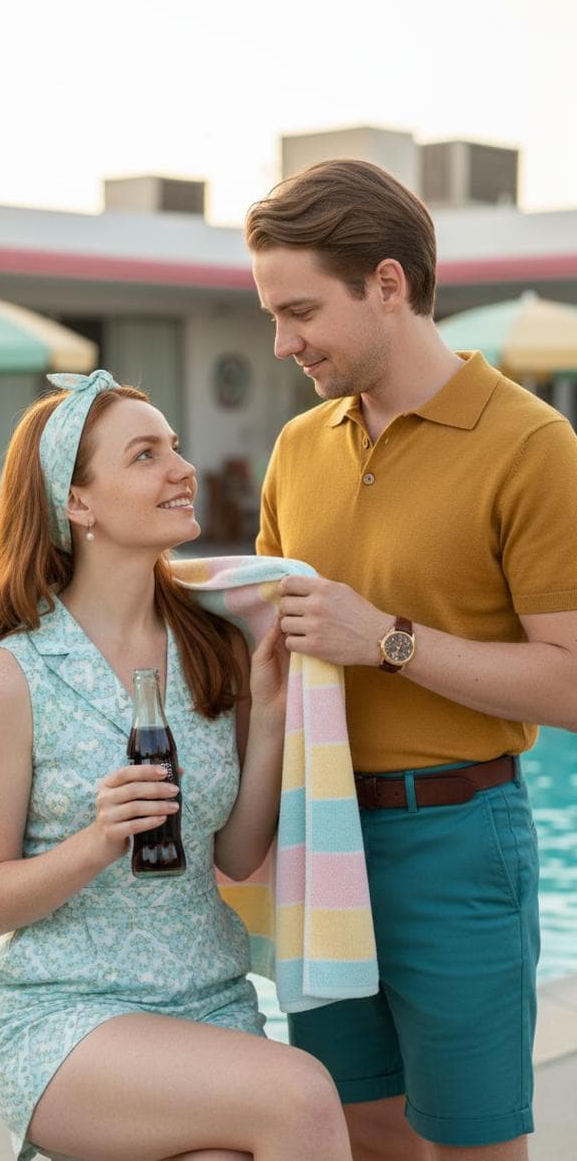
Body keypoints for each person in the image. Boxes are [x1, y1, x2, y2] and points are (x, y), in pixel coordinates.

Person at [246, 159, 577, 1161]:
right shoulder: (296, 446)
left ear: (386, 283)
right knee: (357, 1130)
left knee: (473, 1143)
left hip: (456, 838)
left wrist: (385, 640)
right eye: (271, 314)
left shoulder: (534, 445)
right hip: (316, 835)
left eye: (300, 310)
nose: (282, 342)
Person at [0, 370, 353, 1161]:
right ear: (78, 503)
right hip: (66, 1017)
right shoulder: (13, 678)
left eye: (173, 446)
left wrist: (271, 714)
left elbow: (236, 853)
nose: (183, 468)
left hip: (210, 1005)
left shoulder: (216, 647)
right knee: (304, 1094)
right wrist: (98, 841)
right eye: (145, 455)